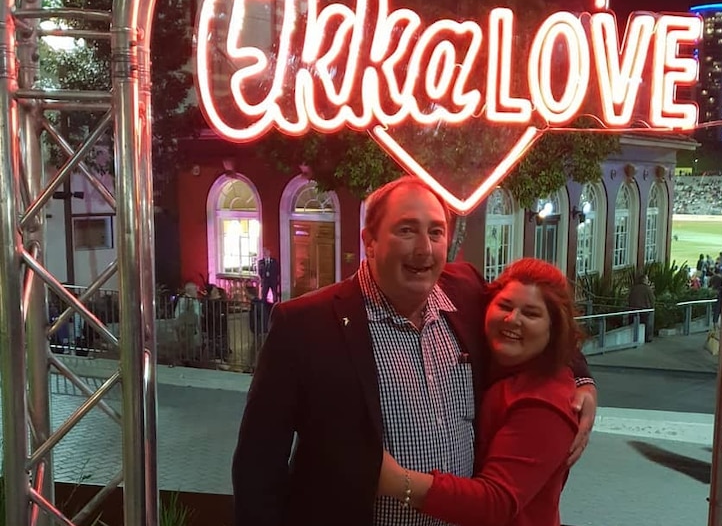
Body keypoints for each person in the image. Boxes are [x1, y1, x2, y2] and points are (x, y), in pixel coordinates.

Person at [232, 176, 597, 525]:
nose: (424, 248)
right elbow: (257, 466)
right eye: (406, 230)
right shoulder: (305, 325)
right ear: (370, 240)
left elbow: (537, 322)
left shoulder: (465, 292)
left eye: (435, 232)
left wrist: (582, 380)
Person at [376, 258, 582, 526]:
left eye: (531, 313)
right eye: (505, 306)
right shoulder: (499, 367)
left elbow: (496, 502)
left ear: (554, 329)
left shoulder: (544, 403)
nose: (512, 319)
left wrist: (396, 480)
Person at [627, 272, 656, 342]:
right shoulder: (647, 289)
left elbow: (629, 298)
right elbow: (652, 299)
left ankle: (632, 339)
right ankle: (646, 338)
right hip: (644, 311)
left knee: (633, 325)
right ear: (644, 280)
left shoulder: (634, 288)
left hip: (633, 309)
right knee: (645, 326)